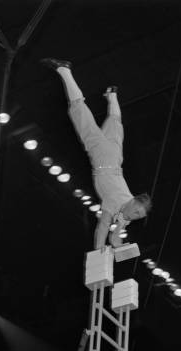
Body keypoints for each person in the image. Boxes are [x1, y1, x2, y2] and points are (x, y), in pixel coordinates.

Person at [41, 58, 152, 249]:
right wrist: (99, 251)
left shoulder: (124, 215)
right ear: (133, 202)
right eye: (137, 213)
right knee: (78, 110)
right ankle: (64, 70)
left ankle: (112, 96)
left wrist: (122, 248)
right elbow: (103, 227)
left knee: (115, 121)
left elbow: (115, 239)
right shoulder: (116, 203)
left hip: (116, 158)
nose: (134, 218)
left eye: (138, 217)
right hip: (102, 158)